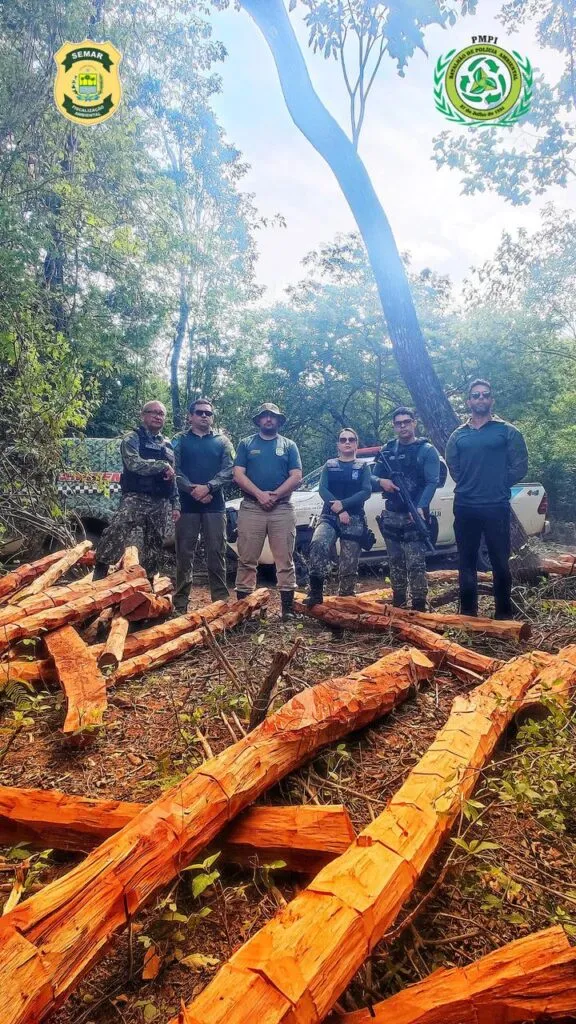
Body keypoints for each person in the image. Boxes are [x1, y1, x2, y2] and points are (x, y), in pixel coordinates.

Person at [446, 379, 528, 619]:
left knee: (500, 562)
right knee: (466, 561)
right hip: (465, 506)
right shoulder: (458, 435)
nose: (480, 399)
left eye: (485, 395)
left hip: (496, 506)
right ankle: (468, 614)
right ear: (469, 401)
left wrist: (498, 483)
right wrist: (473, 484)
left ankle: (503, 614)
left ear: (491, 399)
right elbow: (454, 467)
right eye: (475, 395)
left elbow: (520, 466)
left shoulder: (507, 431)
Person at [93, 401, 180, 581]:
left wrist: (176, 503)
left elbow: (173, 476)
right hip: (135, 497)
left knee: (155, 544)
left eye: (161, 414)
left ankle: (147, 585)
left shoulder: (168, 444)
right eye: (153, 412)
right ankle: (98, 576)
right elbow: (133, 464)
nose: (157, 416)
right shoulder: (132, 438)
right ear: (143, 415)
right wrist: (162, 465)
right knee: (116, 532)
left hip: (161, 501)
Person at [233, 403, 302, 620]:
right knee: (246, 558)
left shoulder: (289, 445)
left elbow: (296, 476)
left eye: (273, 416)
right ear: (259, 420)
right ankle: (244, 612)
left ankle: (287, 611)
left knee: (285, 559)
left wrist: (275, 495)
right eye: (264, 416)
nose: (269, 419)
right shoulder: (246, 444)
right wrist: (260, 494)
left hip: (281, 507)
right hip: (252, 506)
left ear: (279, 421)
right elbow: (238, 474)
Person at [372, 406, 441, 611]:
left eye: (406, 422)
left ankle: (419, 608)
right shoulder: (388, 450)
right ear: (394, 426)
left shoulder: (426, 450)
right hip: (392, 513)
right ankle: (399, 606)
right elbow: (371, 477)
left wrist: (420, 507)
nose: (403, 426)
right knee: (395, 563)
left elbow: (432, 482)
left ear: (414, 423)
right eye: (398, 423)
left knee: (416, 565)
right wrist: (382, 481)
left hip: (415, 515)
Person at [172, 397, 235, 611]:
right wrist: (192, 490)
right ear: (190, 416)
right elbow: (173, 469)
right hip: (186, 506)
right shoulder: (178, 440)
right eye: (199, 412)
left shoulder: (222, 441)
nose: (204, 416)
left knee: (216, 552)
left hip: (214, 506)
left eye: (208, 413)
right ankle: (180, 604)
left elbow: (230, 470)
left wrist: (208, 487)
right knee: (184, 554)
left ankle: (220, 603)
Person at [305, 429, 372, 607]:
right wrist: (338, 509)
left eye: (351, 439)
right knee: (318, 543)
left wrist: (344, 505)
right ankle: (316, 593)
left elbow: (366, 491)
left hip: (354, 518)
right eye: (343, 440)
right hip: (329, 516)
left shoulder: (363, 466)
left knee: (348, 564)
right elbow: (322, 489)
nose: (347, 442)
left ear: (356, 443)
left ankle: (346, 601)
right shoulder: (330, 465)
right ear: (338, 444)